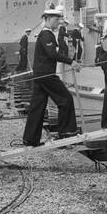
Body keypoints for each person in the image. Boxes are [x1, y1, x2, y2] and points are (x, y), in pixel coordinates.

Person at [22, 9, 77, 145]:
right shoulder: (47, 34)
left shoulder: (44, 34)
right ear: (47, 19)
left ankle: (30, 139)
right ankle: (66, 132)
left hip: (40, 75)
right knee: (66, 99)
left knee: (37, 106)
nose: (58, 22)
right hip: (46, 75)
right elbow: (52, 54)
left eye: (59, 19)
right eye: (55, 19)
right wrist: (71, 62)